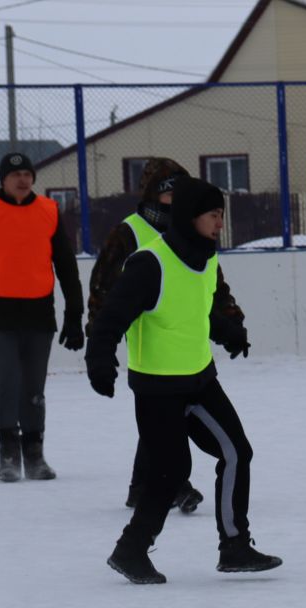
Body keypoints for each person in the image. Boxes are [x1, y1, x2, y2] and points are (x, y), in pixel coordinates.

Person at [86, 178, 277, 584]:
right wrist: (99, 359)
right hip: (157, 388)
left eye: (222, 214)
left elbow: (196, 310)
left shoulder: (206, 259)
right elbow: (111, 317)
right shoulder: (149, 263)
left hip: (200, 380)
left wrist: (227, 332)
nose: (219, 223)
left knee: (237, 452)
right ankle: (131, 550)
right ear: (191, 217)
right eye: (213, 215)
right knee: (170, 471)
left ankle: (235, 546)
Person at [86, 157, 219, 518]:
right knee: (162, 414)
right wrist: (98, 346)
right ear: (152, 195)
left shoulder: (194, 231)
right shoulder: (128, 233)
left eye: (182, 192)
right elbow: (102, 289)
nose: (176, 199)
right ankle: (173, 484)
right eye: (168, 193)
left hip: (182, 344)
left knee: (160, 415)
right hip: (146, 341)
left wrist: (229, 321)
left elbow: (212, 286)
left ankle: (142, 486)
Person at [0, 151, 84, 482]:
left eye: (27, 174)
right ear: (3, 180)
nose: (22, 179)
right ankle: (8, 454)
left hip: (39, 313)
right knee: (7, 380)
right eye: (15, 175)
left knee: (34, 386)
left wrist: (73, 315)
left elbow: (66, 267)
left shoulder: (49, 211)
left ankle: (34, 454)